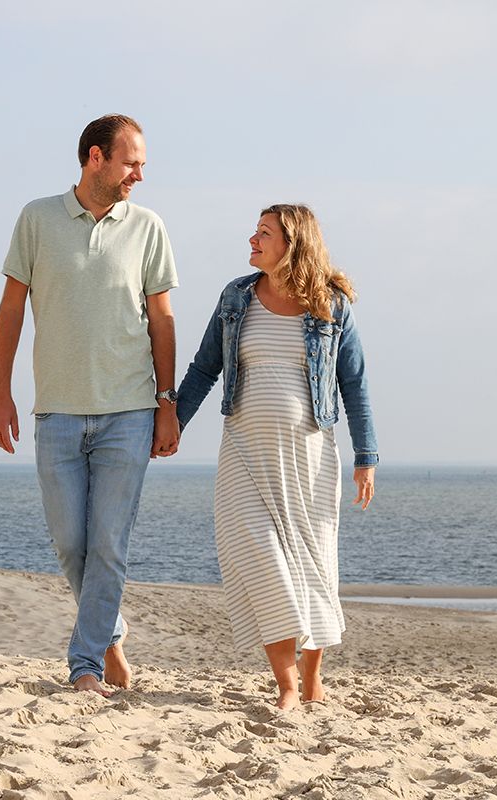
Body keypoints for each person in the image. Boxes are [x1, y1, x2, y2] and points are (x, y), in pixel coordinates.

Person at [0, 114, 180, 697]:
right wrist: (0, 393)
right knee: (72, 543)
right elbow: (11, 310)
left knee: (109, 545)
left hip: (128, 411)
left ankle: (85, 664)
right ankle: (110, 638)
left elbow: (162, 319)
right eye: (131, 163)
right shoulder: (37, 219)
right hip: (58, 413)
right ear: (95, 158)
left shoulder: (148, 228)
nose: (139, 175)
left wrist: (166, 401)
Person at [176, 204, 377, 710]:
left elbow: (354, 383)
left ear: (293, 243)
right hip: (244, 452)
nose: (252, 238)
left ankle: (312, 683)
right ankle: (287, 685)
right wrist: (171, 425)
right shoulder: (236, 298)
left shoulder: (332, 304)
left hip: (310, 459)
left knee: (314, 571)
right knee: (261, 561)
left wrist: (366, 455)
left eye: (263, 233)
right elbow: (204, 369)